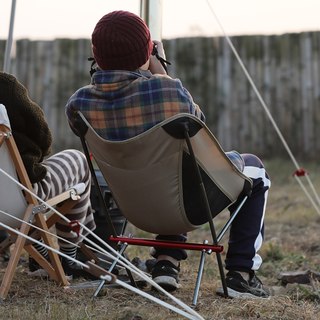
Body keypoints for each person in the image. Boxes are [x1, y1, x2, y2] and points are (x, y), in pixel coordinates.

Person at [65, 10, 271, 298]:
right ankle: (241, 273)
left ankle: (166, 263)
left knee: (170, 165)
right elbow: (199, 127)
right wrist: (159, 70)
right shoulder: (167, 91)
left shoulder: (79, 103)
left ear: (95, 56)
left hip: (133, 209)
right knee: (254, 169)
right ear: (148, 52)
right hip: (184, 205)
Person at [0, 71, 97, 279]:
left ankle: (42, 256)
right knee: (77, 160)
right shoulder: (5, 87)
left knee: (28, 211)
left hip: (7, 210)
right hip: (21, 196)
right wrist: (39, 154)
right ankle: (68, 256)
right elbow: (41, 133)